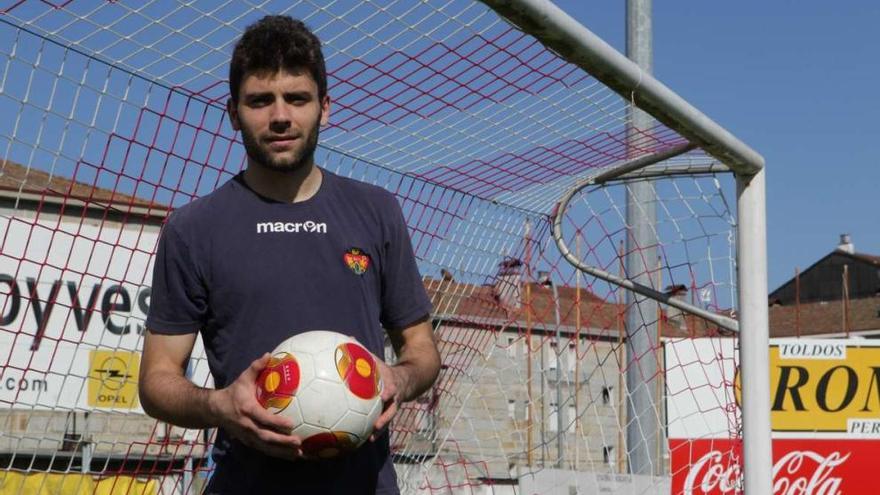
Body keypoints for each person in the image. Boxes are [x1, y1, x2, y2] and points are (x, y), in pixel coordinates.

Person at [138, 15, 441, 495]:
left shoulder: (377, 211)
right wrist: (221, 406)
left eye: (296, 99)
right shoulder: (193, 229)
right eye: (260, 101)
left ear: (324, 108)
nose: (280, 117)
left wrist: (398, 381)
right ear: (234, 113)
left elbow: (421, 351)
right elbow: (155, 381)